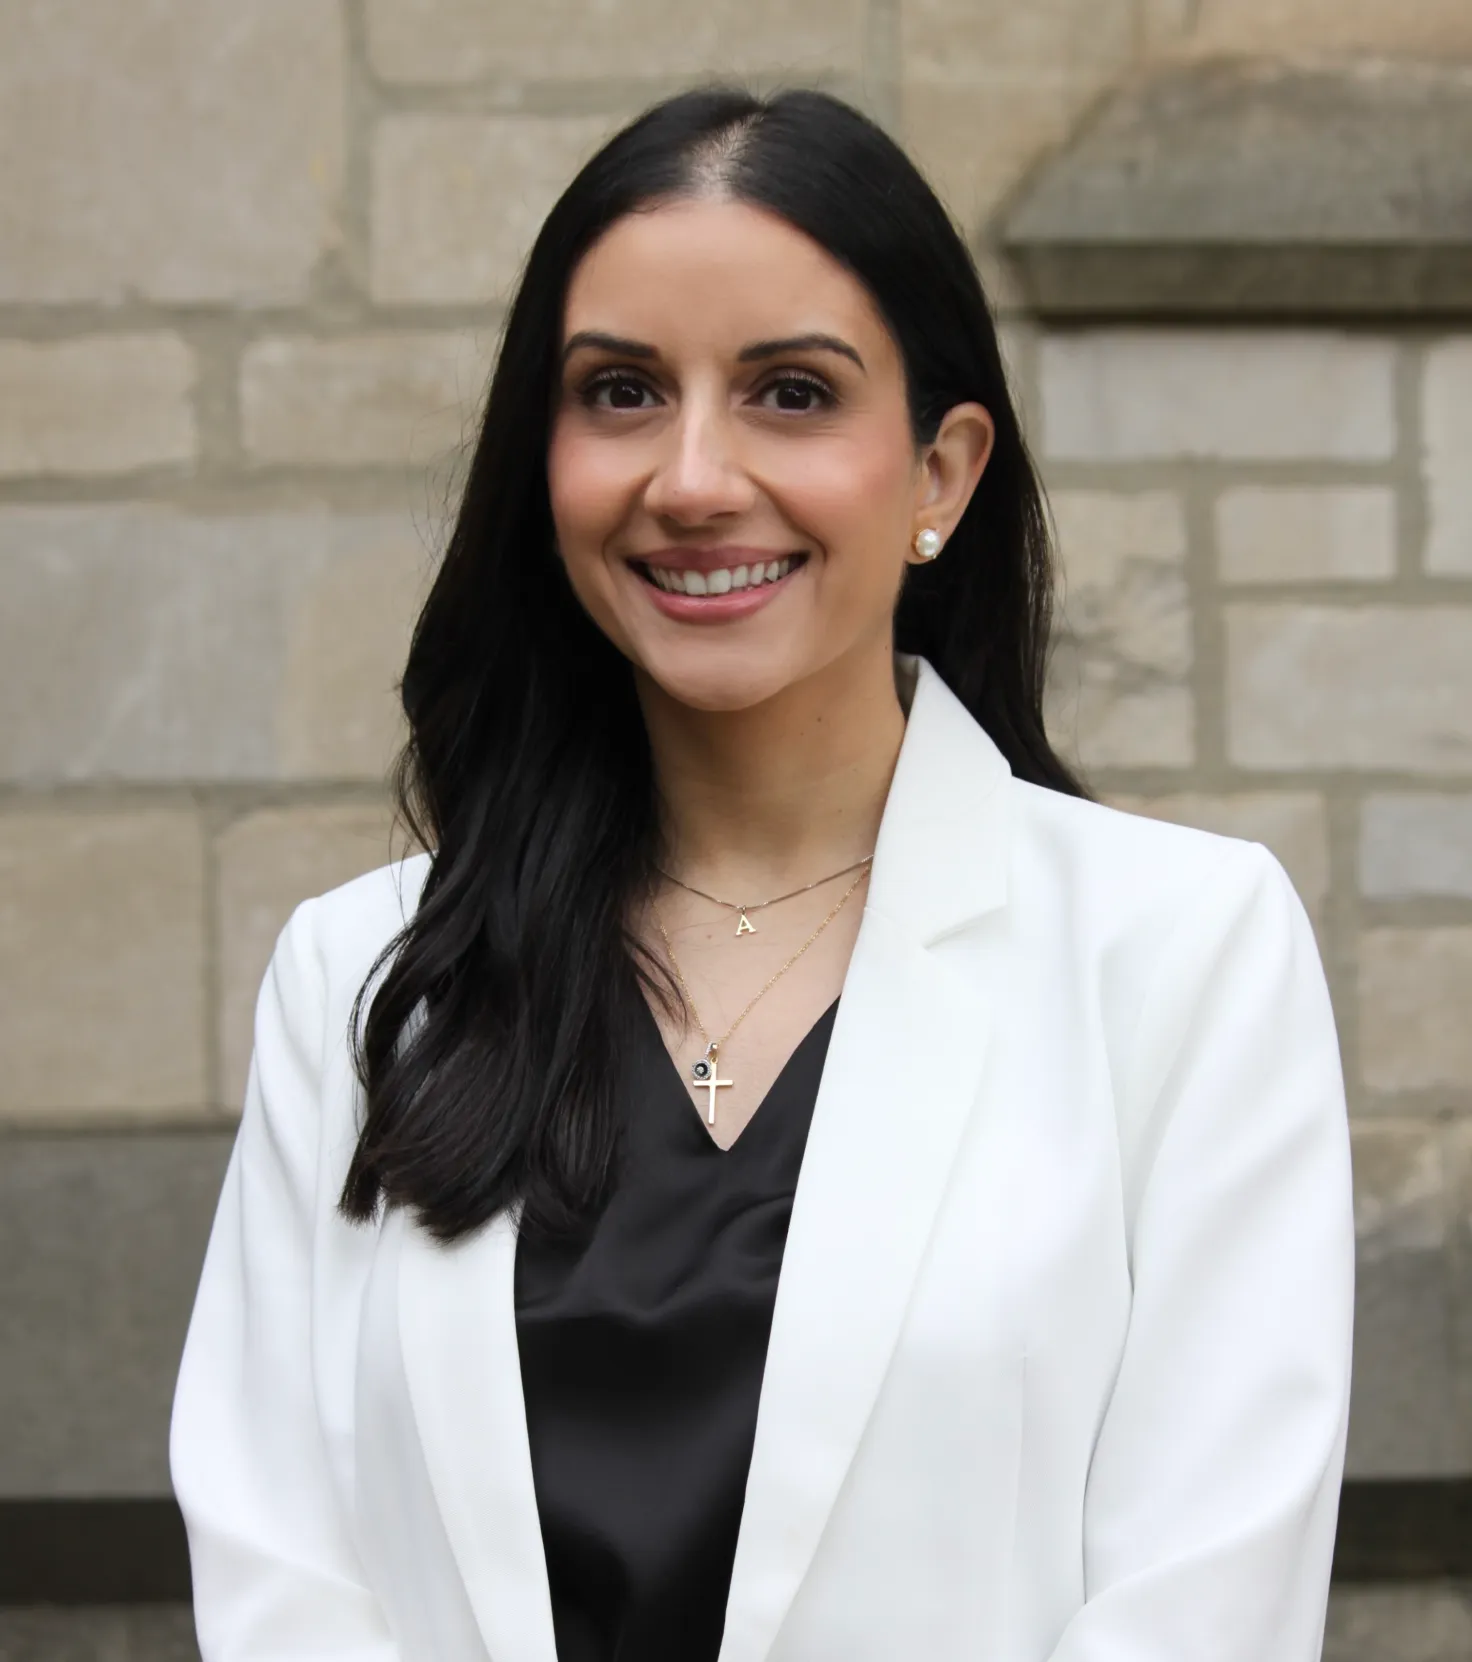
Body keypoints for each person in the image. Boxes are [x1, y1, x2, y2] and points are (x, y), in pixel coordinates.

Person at [170, 86, 1354, 1662]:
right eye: (621, 393)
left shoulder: (1185, 958)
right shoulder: (363, 985)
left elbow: (1204, 1600)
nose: (695, 476)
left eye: (792, 393)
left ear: (941, 472)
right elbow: (281, 1575)